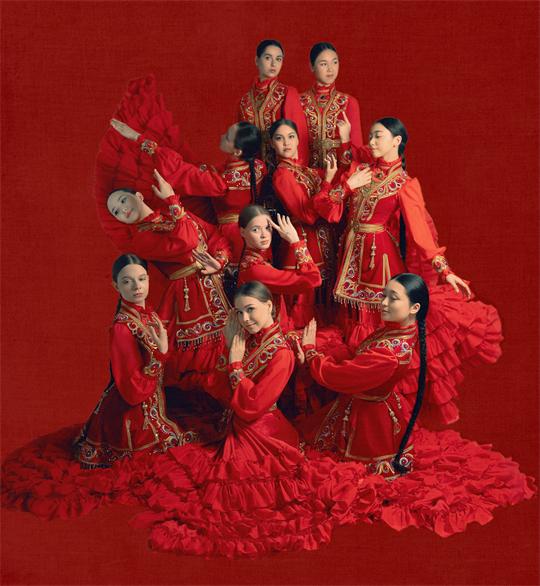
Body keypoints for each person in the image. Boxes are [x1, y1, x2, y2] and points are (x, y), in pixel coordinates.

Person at [123, 281, 382, 557]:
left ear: (269, 306)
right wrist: (228, 350)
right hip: (238, 425)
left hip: (263, 433)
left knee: (236, 498)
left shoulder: (282, 353)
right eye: (240, 312)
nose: (245, 319)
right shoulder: (247, 340)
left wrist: (236, 366)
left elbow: (252, 406)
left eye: (251, 309)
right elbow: (219, 388)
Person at [313, 117, 503, 426]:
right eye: (371, 136)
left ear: (396, 141)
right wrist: (347, 159)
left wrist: (444, 269)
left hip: (379, 261)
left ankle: (381, 406)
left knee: (377, 322)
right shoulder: (362, 171)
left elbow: (419, 233)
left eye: (378, 136)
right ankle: (352, 400)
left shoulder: (404, 184)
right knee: (350, 323)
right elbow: (329, 205)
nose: (371, 142)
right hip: (351, 256)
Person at [104, 168, 232, 390]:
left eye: (123, 200)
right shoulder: (141, 240)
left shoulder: (171, 212)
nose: (123, 209)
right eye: (116, 211)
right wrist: (173, 200)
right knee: (207, 366)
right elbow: (187, 243)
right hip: (190, 295)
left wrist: (219, 262)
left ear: (138, 196)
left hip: (219, 283)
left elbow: (215, 237)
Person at [299, 273, 428, 478]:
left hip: (370, 420)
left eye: (393, 298)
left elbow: (340, 375)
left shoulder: (389, 354)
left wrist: (310, 352)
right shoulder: (394, 331)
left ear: (414, 308)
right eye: (383, 295)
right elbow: (358, 357)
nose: (383, 303)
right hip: (371, 402)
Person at [74, 254, 187, 468]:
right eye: (127, 282)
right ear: (116, 286)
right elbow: (131, 388)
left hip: (153, 402)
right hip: (131, 411)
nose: (137, 287)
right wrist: (160, 355)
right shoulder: (122, 328)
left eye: (142, 279)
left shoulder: (149, 314)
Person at [109, 115, 265, 266]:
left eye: (228, 137)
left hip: (234, 235)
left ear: (237, 152)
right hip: (256, 227)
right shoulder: (257, 166)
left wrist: (141, 140)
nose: (222, 136)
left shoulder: (222, 181)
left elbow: (186, 173)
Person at [269, 118, 370, 324]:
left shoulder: (307, 171)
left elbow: (344, 173)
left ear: (298, 140)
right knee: (307, 308)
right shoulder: (282, 174)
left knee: (328, 310)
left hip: (324, 243)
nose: (286, 143)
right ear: (272, 143)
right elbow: (308, 214)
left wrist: (345, 139)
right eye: (279, 138)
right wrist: (333, 183)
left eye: (291, 136)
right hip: (303, 243)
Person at [236, 205, 322, 330]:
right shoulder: (255, 270)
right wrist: (295, 241)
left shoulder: (255, 260)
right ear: (242, 232)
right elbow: (313, 279)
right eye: (255, 230)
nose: (264, 235)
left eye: (267, 228)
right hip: (270, 336)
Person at [237, 39, 308, 166]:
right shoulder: (244, 101)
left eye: (278, 59)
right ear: (257, 60)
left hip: (281, 167)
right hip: (253, 169)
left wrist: (296, 169)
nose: (274, 64)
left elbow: (298, 137)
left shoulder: (287, 93)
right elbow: (241, 142)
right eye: (268, 58)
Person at [299, 42, 362, 168]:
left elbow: (357, 149)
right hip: (307, 172)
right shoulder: (299, 101)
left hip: (340, 172)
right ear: (312, 66)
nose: (331, 69)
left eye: (335, 62)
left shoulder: (349, 102)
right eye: (323, 64)